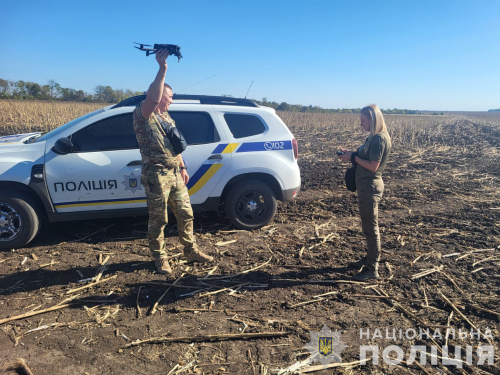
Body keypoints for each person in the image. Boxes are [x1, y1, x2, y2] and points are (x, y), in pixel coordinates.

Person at [133, 48, 213, 275]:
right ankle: (160, 258)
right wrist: (162, 69)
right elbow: (154, 98)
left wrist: (182, 166)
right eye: (169, 98)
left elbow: (174, 145)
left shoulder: (167, 117)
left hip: (175, 173)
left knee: (186, 213)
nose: (171, 102)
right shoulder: (143, 114)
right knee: (159, 219)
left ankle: (190, 250)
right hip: (156, 174)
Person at [338, 104, 391, 281]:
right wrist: (351, 153)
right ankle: (368, 259)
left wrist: (352, 157)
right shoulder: (373, 138)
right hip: (366, 187)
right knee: (368, 226)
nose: (361, 124)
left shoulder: (378, 139)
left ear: (372, 119)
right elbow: (366, 158)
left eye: (363, 120)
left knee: (371, 228)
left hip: (370, 187)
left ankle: (371, 269)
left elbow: (373, 166)